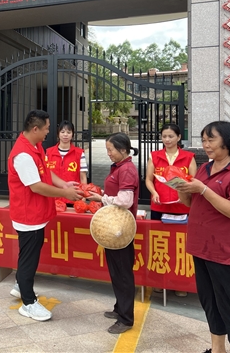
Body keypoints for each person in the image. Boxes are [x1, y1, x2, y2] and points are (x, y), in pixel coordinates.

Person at [175, 121, 230, 353]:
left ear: (227, 141)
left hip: (225, 250)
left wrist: (203, 189)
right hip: (201, 246)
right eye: (203, 140)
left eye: (211, 139)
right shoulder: (205, 168)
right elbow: (190, 203)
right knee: (210, 303)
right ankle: (217, 349)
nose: (206, 145)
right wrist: (181, 188)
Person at [7, 110, 82, 321]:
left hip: (35, 213)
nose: (49, 132)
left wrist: (64, 184)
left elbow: (46, 172)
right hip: (27, 215)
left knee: (28, 254)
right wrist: (65, 194)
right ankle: (28, 303)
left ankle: (21, 286)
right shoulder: (23, 155)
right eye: (47, 128)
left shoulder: (35, 146)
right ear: (35, 129)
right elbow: (36, 186)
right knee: (29, 259)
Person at [87, 132, 139, 334]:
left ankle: (126, 319)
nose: (108, 153)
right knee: (117, 271)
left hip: (120, 229)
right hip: (113, 226)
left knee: (123, 273)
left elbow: (125, 200)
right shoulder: (119, 167)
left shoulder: (126, 170)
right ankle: (120, 308)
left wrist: (102, 199)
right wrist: (101, 195)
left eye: (111, 150)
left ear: (123, 150)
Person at [145, 123, 196, 297]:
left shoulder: (188, 157)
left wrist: (185, 193)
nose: (167, 140)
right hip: (160, 206)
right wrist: (154, 192)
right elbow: (149, 179)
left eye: (171, 136)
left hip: (182, 207)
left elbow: (194, 180)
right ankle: (161, 281)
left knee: (180, 246)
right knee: (160, 245)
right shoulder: (155, 156)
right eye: (164, 136)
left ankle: (180, 283)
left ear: (179, 137)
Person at [45, 120, 88, 204]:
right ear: (58, 134)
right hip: (53, 199)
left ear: (72, 134)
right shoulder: (49, 153)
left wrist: (83, 196)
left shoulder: (79, 153)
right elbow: (45, 175)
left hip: (73, 199)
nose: (65, 135)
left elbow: (83, 177)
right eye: (62, 132)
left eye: (68, 132)